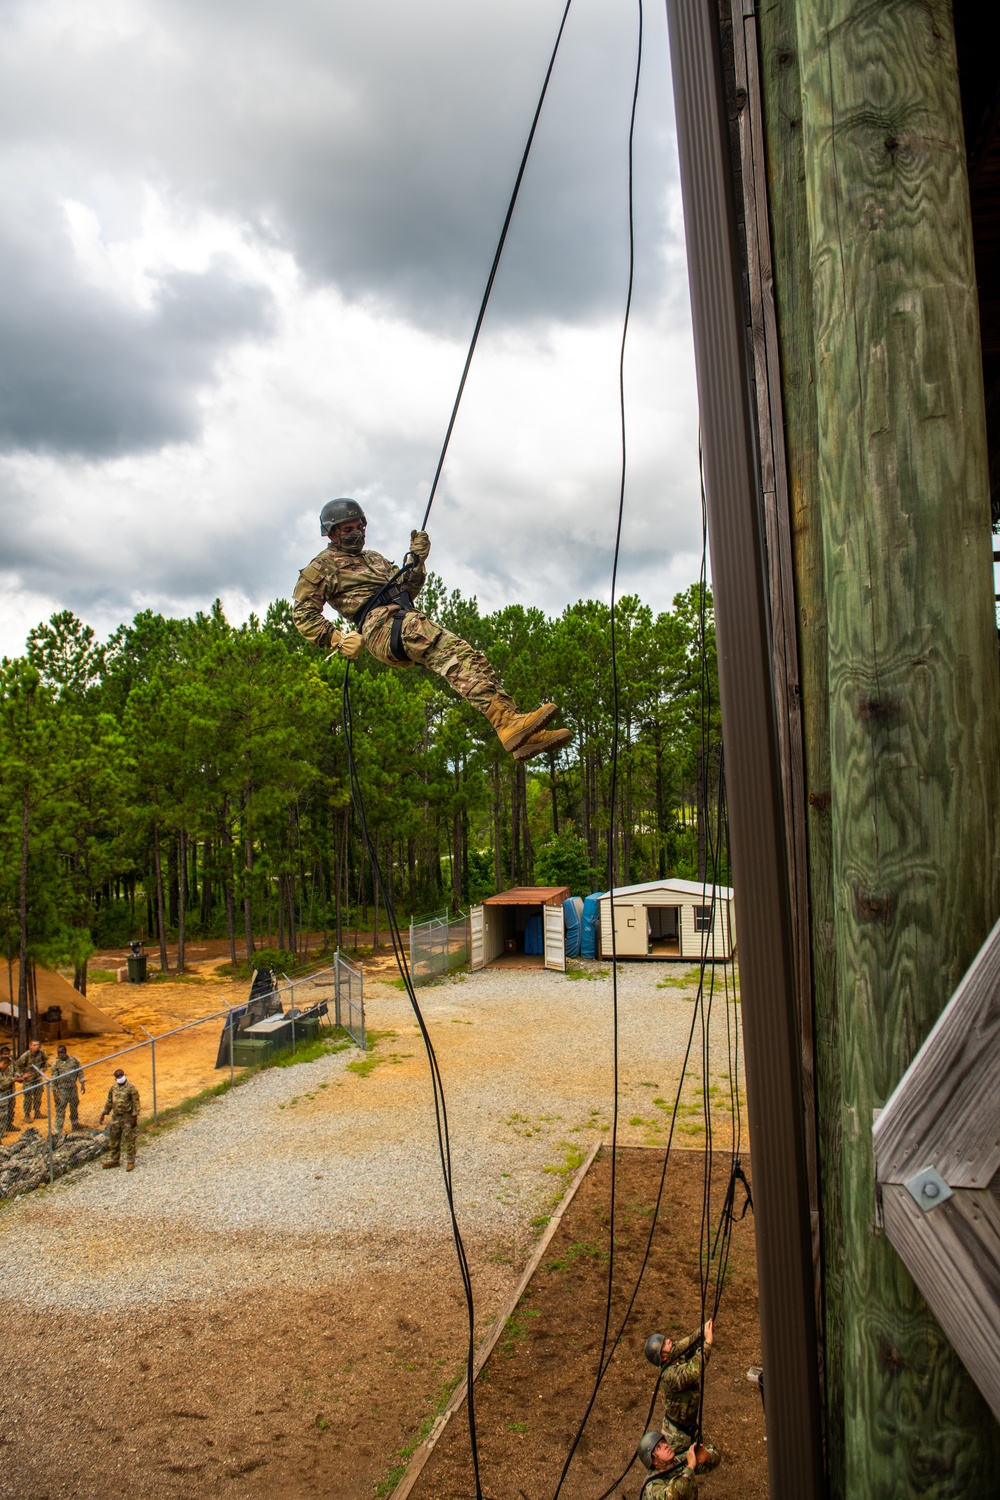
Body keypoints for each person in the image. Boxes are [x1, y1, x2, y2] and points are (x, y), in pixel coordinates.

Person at [292, 499, 572, 762]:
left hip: (404, 617)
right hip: (381, 627)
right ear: (331, 534)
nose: (357, 533)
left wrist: (417, 561)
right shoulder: (322, 566)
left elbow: (407, 589)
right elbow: (302, 613)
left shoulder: (374, 558)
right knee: (449, 652)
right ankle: (507, 724)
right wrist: (337, 638)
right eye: (349, 529)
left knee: (468, 656)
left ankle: (517, 731)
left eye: (360, 527)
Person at [644, 1318, 714, 1436]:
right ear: (663, 1357)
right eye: (664, 1344)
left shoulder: (673, 1352)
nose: (669, 1341)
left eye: (665, 1339)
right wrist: (707, 1343)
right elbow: (692, 1371)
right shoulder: (669, 1376)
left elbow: (691, 1341)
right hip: (677, 1434)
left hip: (688, 1425)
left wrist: (705, 1328)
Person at [637, 1429, 720, 1498]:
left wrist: (707, 1456)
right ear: (654, 1461)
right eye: (658, 1447)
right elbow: (671, 1496)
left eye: (663, 1442)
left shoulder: (678, 1462)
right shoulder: (652, 1485)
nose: (665, 1446)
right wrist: (690, 1467)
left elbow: (715, 1459)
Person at [99, 1068, 140, 1171]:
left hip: (127, 1117)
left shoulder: (131, 1088)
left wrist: (134, 1117)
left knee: (129, 1139)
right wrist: (104, 1113)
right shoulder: (113, 1088)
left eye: (121, 1075)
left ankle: (130, 1161)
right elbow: (109, 1102)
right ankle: (115, 1159)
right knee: (114, 1139)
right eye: (118, 1077)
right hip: (116, 1117)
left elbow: (136, 1103)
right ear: (115, 1078)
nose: (120, 1078)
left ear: (125, 1075)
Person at [50, 1045, 86, 1136]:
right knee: (60, 1110)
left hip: (73, 1088)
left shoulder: (73, 1061)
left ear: (66, 1052)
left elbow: (79, 1071)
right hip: (62, 1090)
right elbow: (53, 1080)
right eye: (58, 1053)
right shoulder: (56, 1065)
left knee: (74, 1106)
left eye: (62, 1052)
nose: (60, 1054)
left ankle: (75, 1124)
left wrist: (82, 1083)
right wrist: (55, 1094)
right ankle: (57, 1132)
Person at [14, 1039, 48, 1124]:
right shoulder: (25, 1055)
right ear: (30, 1046)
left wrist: (43, 1070)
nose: (37, 1047)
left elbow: (46, 1061)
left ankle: (37, 1112)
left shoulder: (41, 1053)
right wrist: (22, 1075)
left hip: (38, 1079)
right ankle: (27, 1115)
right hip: (28, 1081)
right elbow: (17, 1066)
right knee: (28, 1098)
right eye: (34, 1045)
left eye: (37, 1045)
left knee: (38, 1096)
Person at [0, 1053, 17, 1136]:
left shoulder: (2, 1071)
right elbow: (4, 1084)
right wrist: (14, 1079)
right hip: (2, 1096)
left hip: (5, 1094)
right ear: (3, 1064)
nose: (6, 1068)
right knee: (2, 1115)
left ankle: (3, 1131)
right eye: (6, 1066)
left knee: (6, 1113)